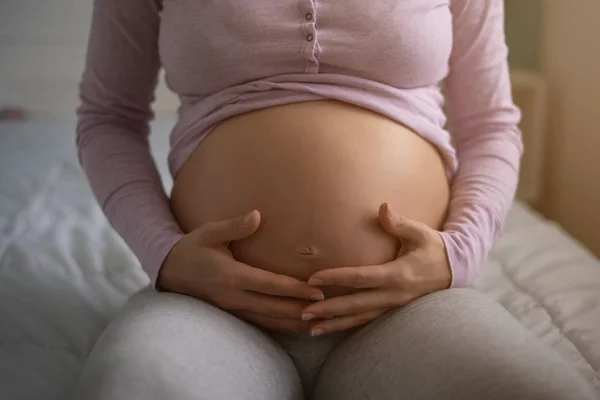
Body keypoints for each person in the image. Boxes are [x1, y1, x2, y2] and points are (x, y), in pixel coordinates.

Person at [73, 0, 596, 399]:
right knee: (131, 386)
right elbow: (108, 119)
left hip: (410, 307)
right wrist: (163, 253)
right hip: (213, 308)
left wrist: (458, 253)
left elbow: (490, 126)